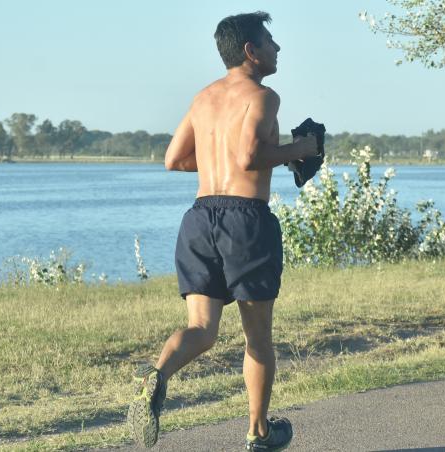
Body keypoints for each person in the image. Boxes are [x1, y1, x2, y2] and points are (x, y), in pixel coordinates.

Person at [126, 11, 320, 451]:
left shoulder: (203, 98)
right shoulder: (264, 95)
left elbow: (174, 160)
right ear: (251, 51)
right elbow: (250, 157)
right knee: (258, 337)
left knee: (201, 328)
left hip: (199, 219)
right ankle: (258, 432)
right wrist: (300, 149)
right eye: (270, 41)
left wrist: (228, 161)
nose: (277, 48)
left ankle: (155, 377)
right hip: (246, 221)